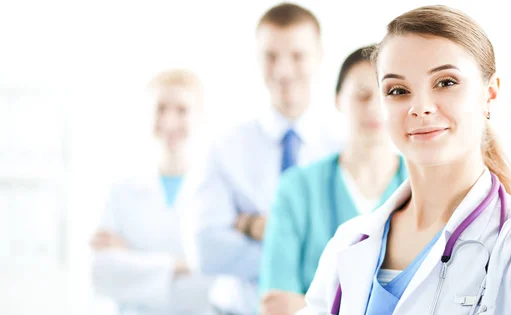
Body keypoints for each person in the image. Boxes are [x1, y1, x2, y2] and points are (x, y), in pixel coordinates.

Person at [299, 5, 511, 315]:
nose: (420, 107)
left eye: (445, 82)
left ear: (490, 93)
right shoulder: (349, 242)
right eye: (398, 90)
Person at [194, 3, 341, 314]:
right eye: (271, 56)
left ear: (319, 57)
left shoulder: (344, 147)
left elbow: (359, 250)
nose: (284, 71)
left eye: (297, 56)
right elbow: (206, 249)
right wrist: (306, 248)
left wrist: (249, 225)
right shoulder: (225, 146)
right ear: (257, 58)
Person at [258, 45, 407, 315]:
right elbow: (276, 306)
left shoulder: (423, 186)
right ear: (339, 100)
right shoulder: (297, 189)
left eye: (390, 94)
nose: (374, 107)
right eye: (362, 95)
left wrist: (313, 306)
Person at [90, 69, 214, 315]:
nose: (169, 120)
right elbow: (102, 274)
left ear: (200, 116)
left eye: (181, 110)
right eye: (160, 108)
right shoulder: (121, 191)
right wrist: (179, 266)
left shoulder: (214, 191)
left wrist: (132, 261)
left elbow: (213, 283)